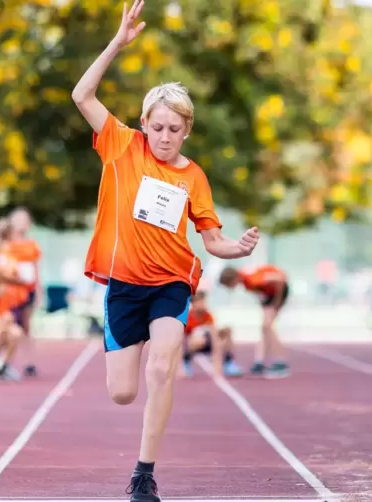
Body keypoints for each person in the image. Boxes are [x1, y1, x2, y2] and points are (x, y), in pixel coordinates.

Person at [71, 1, 259, 500]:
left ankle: (144, 473)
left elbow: (211, 239)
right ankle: (129, 351)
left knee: (162, 366)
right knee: (123, 392)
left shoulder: (193, 175)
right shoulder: (120, 145)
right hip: (123, 286)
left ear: (187, 130)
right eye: (157, 127)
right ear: (144, 124)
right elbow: (81, 93)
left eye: (175, 130)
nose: (165, 137)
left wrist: (234, 250)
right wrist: (117, 42)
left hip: (172, 283)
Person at [218, 264, 290, 378]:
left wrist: (276, 302)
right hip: (268, 295)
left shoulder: (252, 279)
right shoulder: (245, 281)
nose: (230, 288)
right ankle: (259, 362)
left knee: (267, 326)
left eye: (229, 285)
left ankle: (280, 362)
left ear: (233, 279)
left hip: (277, 293)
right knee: (264, 327)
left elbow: (281, 278)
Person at [5, 208, 43, 377]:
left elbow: (36, 268)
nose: (23, 224)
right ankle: (5, 361)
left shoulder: (32, 245)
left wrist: (39, 290)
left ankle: (29, 361)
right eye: (19, 220)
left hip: (28, 290)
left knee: (26, 325)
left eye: (25, 220)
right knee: (8, 323)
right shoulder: (6, 244)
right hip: (10, 291)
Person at [180, 291, 242, 378]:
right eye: (201, 302)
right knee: (196, 340)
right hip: (192, 345)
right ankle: (185, 362)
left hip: (208, 343)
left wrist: (217, 367)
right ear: (194, 303)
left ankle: (228, 362)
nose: (204, 304)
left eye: (204, 302)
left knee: (227, 331)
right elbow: (181, 340)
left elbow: (214, 337)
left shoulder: (208, 316)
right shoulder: (187, 317)